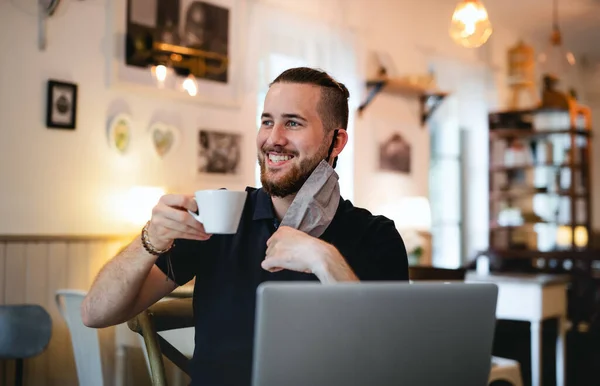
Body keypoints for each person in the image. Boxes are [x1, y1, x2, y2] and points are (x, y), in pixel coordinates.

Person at [81, 67, 409, 385]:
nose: (273, 139)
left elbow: (389, 359)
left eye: (293, 123)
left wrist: (324, 260)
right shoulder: (219, 217)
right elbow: (95, 313)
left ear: (336, 142)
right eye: (267, 122)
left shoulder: (375, 235)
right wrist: (149, 240)